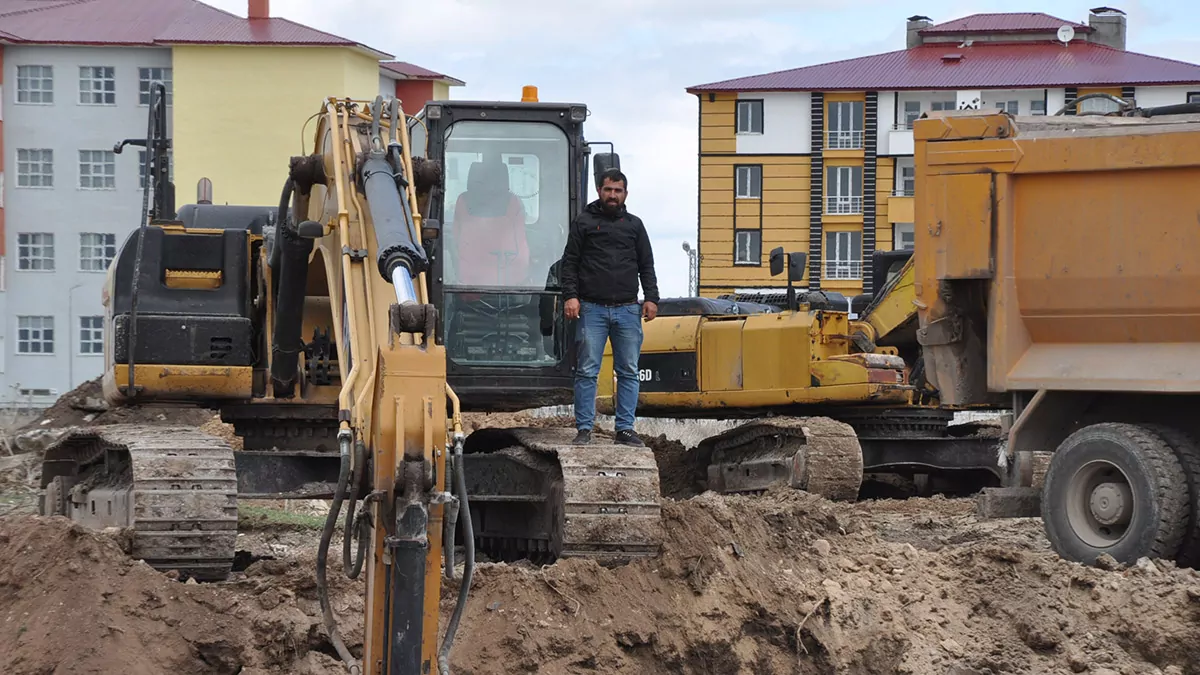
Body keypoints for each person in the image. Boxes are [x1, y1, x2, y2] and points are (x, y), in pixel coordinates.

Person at [560, 167, 659, 447]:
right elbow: (570, 263)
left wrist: (651, 298)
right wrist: (571, 296)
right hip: (591, 309)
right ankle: (584, 428)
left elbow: (646, 265)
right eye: (608, 190)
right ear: (599, 191)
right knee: (587, 370)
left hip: (628, 310)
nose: (612, 195)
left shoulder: (635, 226)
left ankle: (625, 429)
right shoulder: (584, 222)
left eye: (617, 190)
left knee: (628, 370)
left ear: (625, 194)